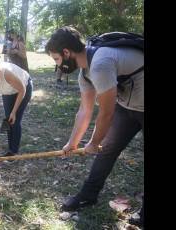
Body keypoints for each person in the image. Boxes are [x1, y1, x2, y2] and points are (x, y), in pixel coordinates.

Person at [45, 26, 144, 227]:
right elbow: (84, 111)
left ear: (66, 52)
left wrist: (93, 142)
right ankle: (88, 195)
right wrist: (72, 143)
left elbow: (106, 114)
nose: (57, 65)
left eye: (56, 59)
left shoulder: (100, 64)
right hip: (128, 106)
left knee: (102, 145)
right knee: (107, 150)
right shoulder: (85, 72)